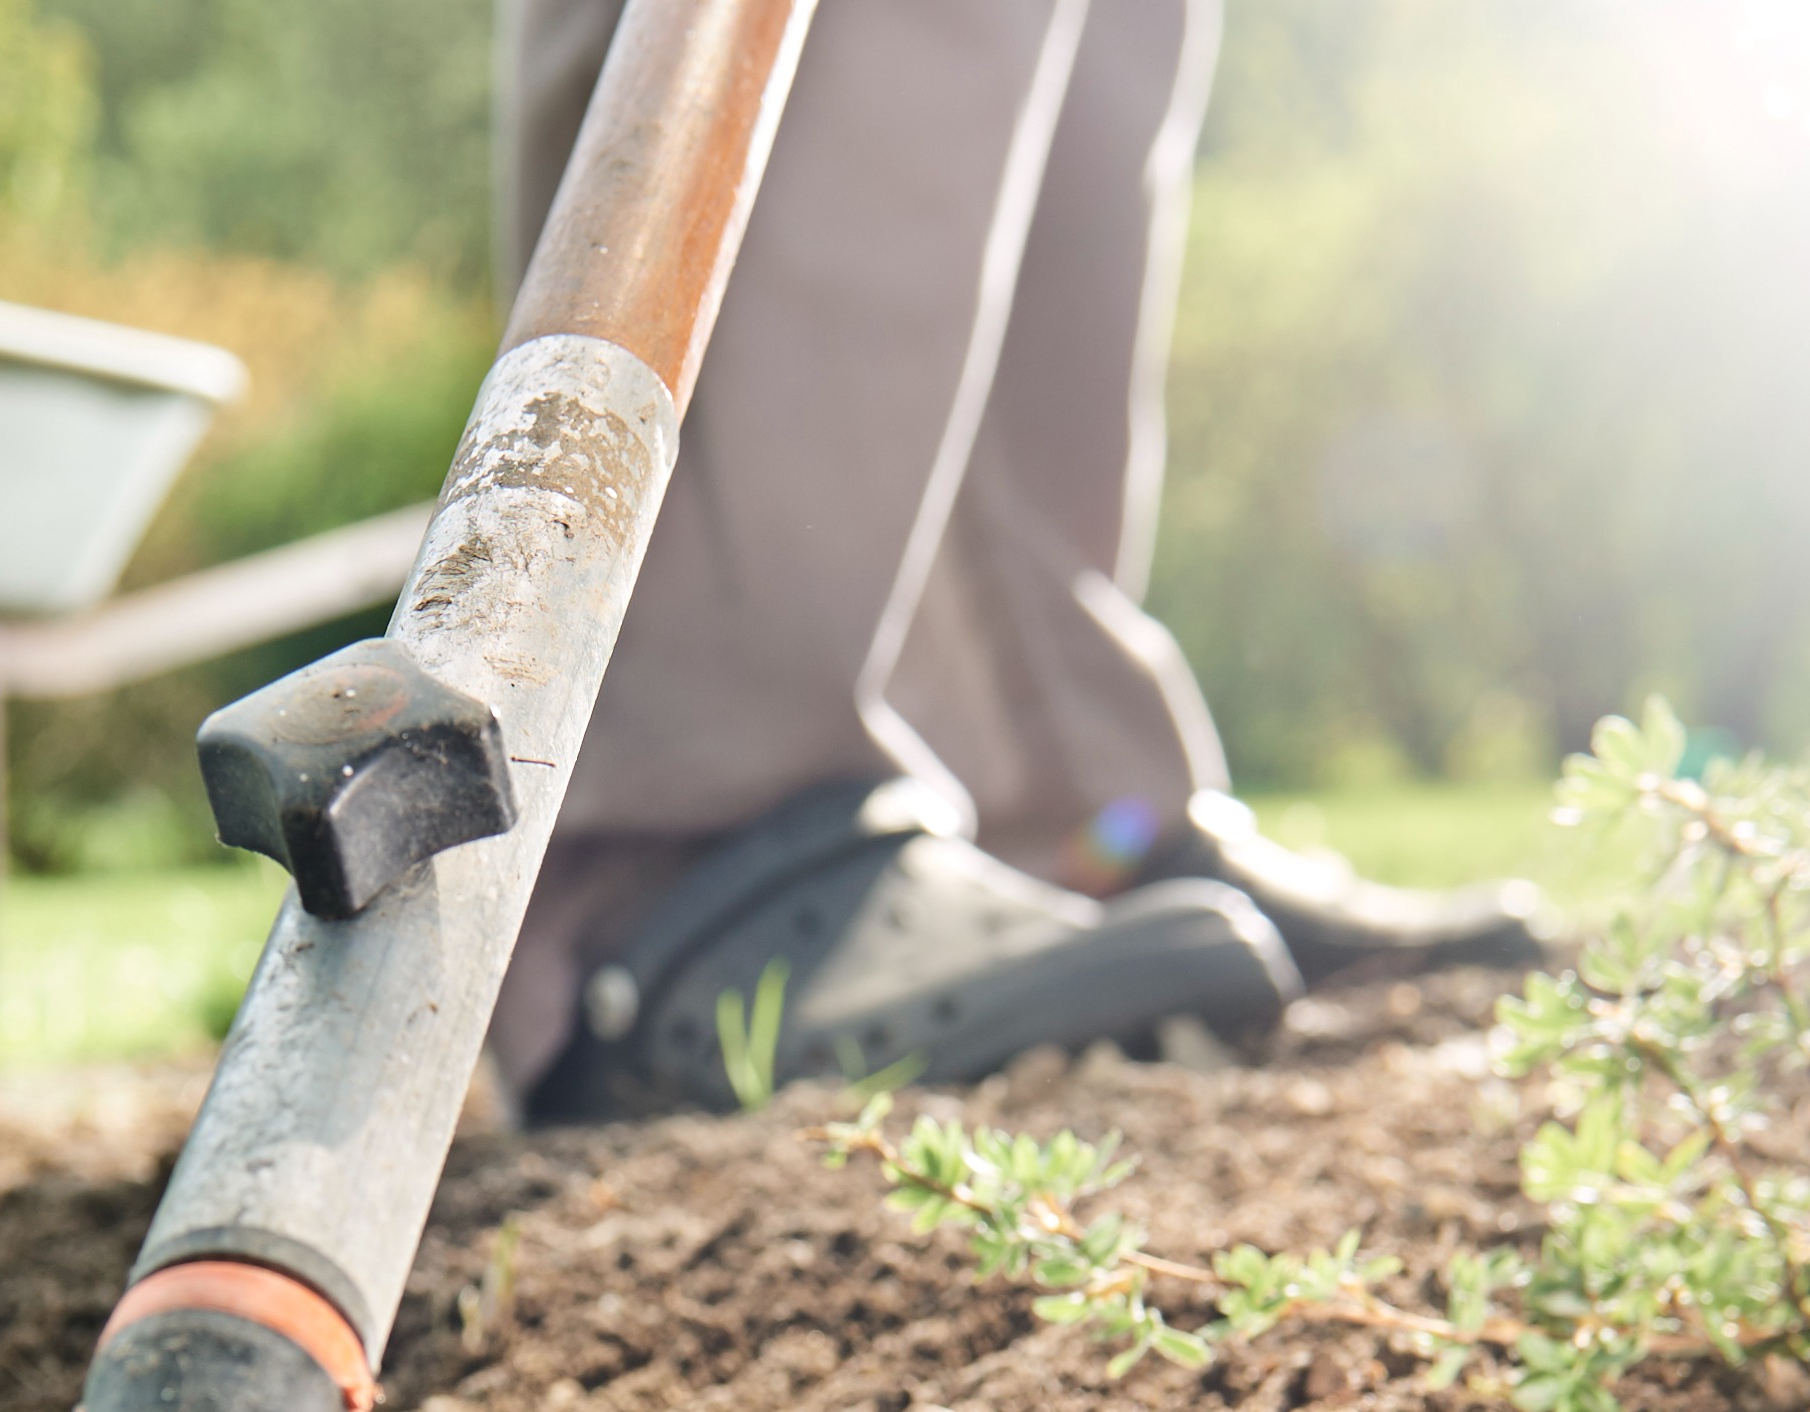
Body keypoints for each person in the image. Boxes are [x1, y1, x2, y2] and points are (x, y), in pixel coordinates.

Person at [491, 0, 1536, 1121]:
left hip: (1061, 806)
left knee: (1080, 55)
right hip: (680, 857)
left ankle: (1063, 817)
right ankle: (686, 850)